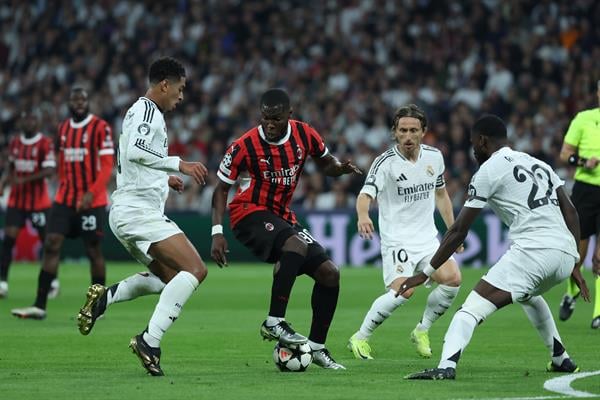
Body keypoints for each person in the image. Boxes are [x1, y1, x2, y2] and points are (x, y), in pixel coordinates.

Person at [399, 115, 589, 380]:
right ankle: (560, 358)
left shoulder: (488, 171)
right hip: (565, 253)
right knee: (528, 295)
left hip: (534, 252)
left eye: (473, 143)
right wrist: (576, 262)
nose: (473, 149)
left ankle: (446, 367)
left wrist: (426, 272)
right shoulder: (538, 163)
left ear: (483, 141)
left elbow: (458, 231)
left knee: (470, 309)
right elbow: (571, 211)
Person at [76, 57, 208, 377]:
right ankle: (150, 341)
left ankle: (104, 299)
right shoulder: (147, 110)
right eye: (179, 88)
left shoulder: (145, 113)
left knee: (168, 278)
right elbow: (135, 151)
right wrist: (180, 165)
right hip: (137, 212)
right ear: (165, 84)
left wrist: (164, 179)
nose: (180, 95)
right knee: (195, 269)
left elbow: (134, 161)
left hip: (128, 212)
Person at [211, 88, 361, 370]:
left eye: (276, 119)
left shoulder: (305, 134)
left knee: (330, 273)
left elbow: (325, 162)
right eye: (265, 118)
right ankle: (274, 321)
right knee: (295, 245)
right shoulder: (243, 145)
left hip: (283, 215)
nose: (269, 124)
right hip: (248, 213)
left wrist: (339, 169)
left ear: (289, 116)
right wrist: (216, 231)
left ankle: (316, 347)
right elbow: (220, 190)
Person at [348, 104, 462, 360]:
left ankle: (422, 330)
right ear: (394, 133)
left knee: (453, 279)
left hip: (427, 239)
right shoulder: (384, 163)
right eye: (402, 130)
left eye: (413, 130)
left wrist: (454, 231)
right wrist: (363, 215)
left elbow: (442, 195)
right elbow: (365, 194)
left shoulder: (435, 157)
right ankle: (360, 336)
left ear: (423, 132)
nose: (408, 136)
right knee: (404, 291)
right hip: (397, 241)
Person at [11, 87, 114, 319]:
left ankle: (98, 306)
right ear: (69, 103)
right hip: (64, 199)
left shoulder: (100, 128)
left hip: (92, 200)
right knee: (51, 243)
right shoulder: (63, 128)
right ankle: (39, 305)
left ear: (88, 102)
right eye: (74, 99)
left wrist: (91, 192)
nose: (79, 103)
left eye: (83, 99)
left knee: (93, 250)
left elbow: (107, 165)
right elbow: (61, 161)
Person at [557, 79, 600, 329]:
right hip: (585, 190)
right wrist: (584, 162)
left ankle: (597, 313)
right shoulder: (583, 119)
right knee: (578, 254)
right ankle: (571, 293)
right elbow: (564, 154)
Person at [0, 110, 56, 298]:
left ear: (37, 122)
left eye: (32, 119)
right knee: (8, 240)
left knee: (48, 244)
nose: (28, 122)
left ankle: (53, 282)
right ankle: (2, 283)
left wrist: (26, 180)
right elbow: (10, 166)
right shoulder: (15, 141)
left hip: (39, 203)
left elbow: (49, 170)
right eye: (25, 119)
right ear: (21, 122)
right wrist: (3, 182)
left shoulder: (44, 143)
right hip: (16, 201)